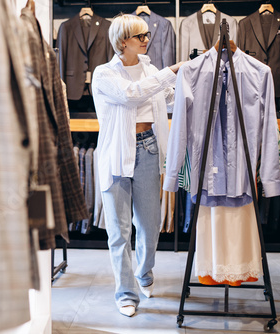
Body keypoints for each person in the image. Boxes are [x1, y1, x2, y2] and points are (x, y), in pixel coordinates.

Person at [91, 13, 184, 317]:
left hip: (148, 148)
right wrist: (172, 71)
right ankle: (126, 292)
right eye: (140, 36)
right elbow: (130, 96)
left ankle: (144, 272)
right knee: (119, 231)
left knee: (149, 225)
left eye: (147, 35)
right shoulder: (104, 74)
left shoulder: (151, 69)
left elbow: (170, 98)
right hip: (116, 154)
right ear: (123, 41)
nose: (147, 40)